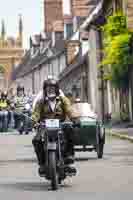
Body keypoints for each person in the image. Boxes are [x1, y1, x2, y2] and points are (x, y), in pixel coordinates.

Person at [32, 78, 77, 176]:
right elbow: (36, 113)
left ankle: (69, 156)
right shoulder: (41, 101)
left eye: (52, 88)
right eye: (48, 88)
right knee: (36, 140)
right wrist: (34, 121)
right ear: (45, 89)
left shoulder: (63, 100)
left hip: (61, 124)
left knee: (70, 130)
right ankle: (42, 163)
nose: (50, 90)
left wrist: (74, 118)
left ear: (56, 89)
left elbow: (70, 110)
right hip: (44, 125)